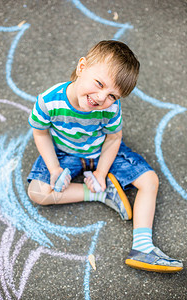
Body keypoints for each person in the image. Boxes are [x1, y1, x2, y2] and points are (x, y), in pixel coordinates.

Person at [27, 40, 183, 273]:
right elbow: (40, 133)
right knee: (37, 192)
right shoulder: (48, 101)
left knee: (150, 181)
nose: (101, 98)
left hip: (101, 150)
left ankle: (143, 247)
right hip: (64, 152)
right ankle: (100, 194)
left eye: (113, 95)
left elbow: (113, 138)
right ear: (82, 67)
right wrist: (54, 169)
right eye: (99, 84)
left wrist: (101, 172)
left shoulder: (110, 109)